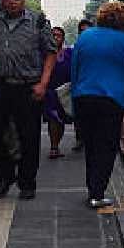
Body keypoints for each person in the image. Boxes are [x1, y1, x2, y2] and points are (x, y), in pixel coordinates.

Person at [0, 0, 57, 200]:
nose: (12, 1)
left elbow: (51, 53)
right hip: (0, 87)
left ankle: (27, 182)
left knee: (29, 137)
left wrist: (43, 83)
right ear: (1, 1)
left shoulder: (37, 22)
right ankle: (4, 176)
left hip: (27, 87)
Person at [71, 2, 124, 208]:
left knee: (91, 145)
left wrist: (75, 99)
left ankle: (92, 187)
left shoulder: (85, 37)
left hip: (84, 97)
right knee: (107, 145)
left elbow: (75, 70)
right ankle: (97, 193)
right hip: (112, 100)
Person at [44, 26, 73, 159]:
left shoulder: (69, 53)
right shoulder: (44, 53)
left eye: (58, 35)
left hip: (64, 92)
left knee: (60, 120)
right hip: (49, 91)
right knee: (53, 118)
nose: (56, 38)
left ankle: (56, 144)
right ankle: (53, 147)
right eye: (53, 35)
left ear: (63, 38)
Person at [71, 19, 94, 152]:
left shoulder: (101, 47)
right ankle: (80, 139)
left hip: (97, 90)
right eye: (82, 31)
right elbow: (74, 70)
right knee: (80, 117)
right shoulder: (77, 47)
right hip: (81, 89)